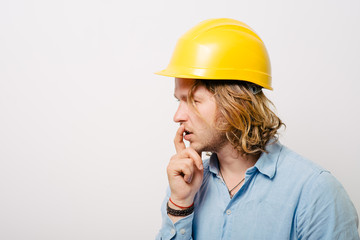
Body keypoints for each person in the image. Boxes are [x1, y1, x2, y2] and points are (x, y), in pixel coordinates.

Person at [155, 18, 359, 240]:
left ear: (236, 101)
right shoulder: (185, 186)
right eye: (179, 101)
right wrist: (181, 204)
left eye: (194, 101)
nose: (178, 117)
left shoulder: (316, 193)